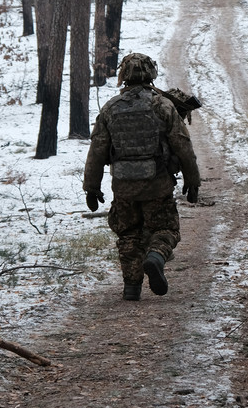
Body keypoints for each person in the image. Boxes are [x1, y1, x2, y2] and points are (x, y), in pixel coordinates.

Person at [83, 53, 201, 301]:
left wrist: (91, 187)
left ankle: (131, 287)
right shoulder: (163, 106)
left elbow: (97, 150)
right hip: (157, 184)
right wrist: (192, 180)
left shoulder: (111, 109)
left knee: (128, 233)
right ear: (151, 73)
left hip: (123, 186)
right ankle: (156, 256)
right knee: (165, 228)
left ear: (123, 75)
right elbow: (183, 146)